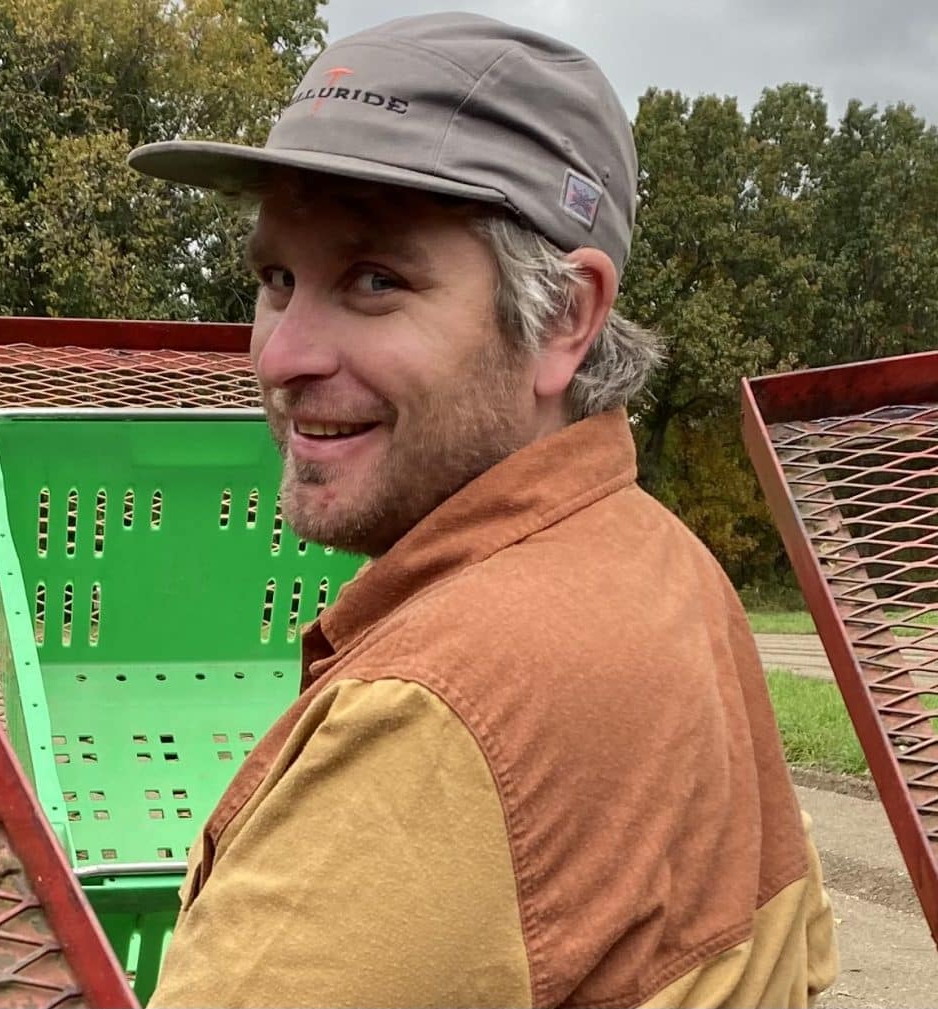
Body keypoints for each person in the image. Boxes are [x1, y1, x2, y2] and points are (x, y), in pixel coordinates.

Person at [128, 11, 837, 1008]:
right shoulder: (670, 566)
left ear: (563, 319)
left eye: (374, 281)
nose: (282, 355)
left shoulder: (426, 720)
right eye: (277, 279)